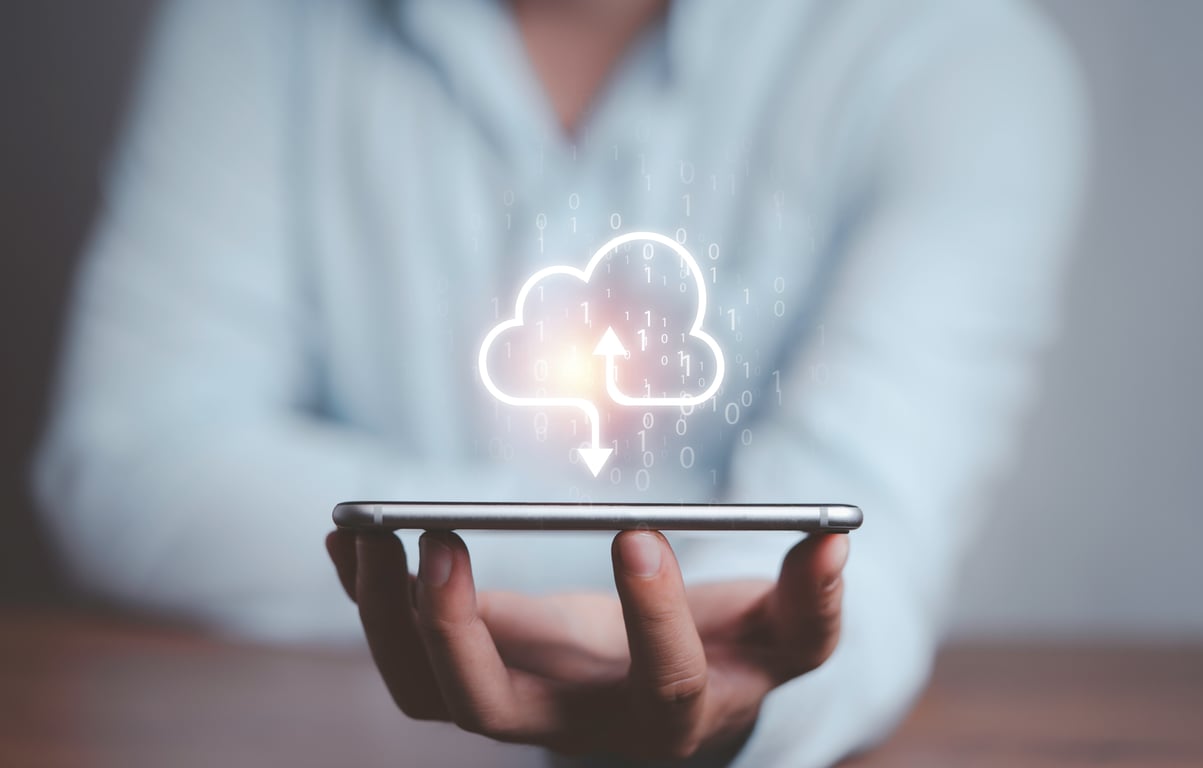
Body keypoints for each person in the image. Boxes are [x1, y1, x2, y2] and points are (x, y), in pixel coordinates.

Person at [33, 0, 1086, 765]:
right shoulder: (261, 25)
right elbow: (130, 465)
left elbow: (860, 585)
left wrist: (721, 672)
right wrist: (690, 539)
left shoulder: (957, 59)